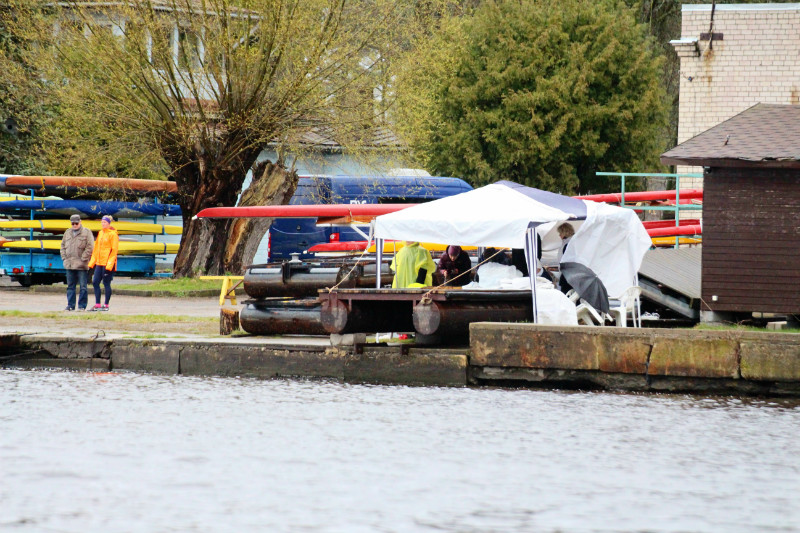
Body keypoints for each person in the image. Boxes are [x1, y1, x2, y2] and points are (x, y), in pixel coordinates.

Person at [60, 214, 94, 311]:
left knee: (83, 286)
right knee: (70, 286)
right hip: (69, 264)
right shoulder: (67, 232)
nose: (74, 225)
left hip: (81, 265)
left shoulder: (86, 232)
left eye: (76, 223)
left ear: (80, 222)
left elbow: (90, 246)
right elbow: (62, 246)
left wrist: (83, 258)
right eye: (73, 223)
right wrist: (64, 258)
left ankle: (82, 306)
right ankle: (70, 305)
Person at [88, 215, 119, 311]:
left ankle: (106, 305)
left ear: (109, 223)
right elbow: (96, 249)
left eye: (104, 222)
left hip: (108, 263)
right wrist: (92, 263)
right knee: (95, 282)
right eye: (102, 222)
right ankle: (97, 304)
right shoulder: (101, 233)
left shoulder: (113, 234)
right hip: (99, 262)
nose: (103, 224)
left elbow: (114, 251)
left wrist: (109, 265)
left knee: (106, 283)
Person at [556, 222, 575, 294]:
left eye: (560, 233)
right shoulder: (572, 242)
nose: (559, 235)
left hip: (568, 276)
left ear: (564, 232)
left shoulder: (568, 244)